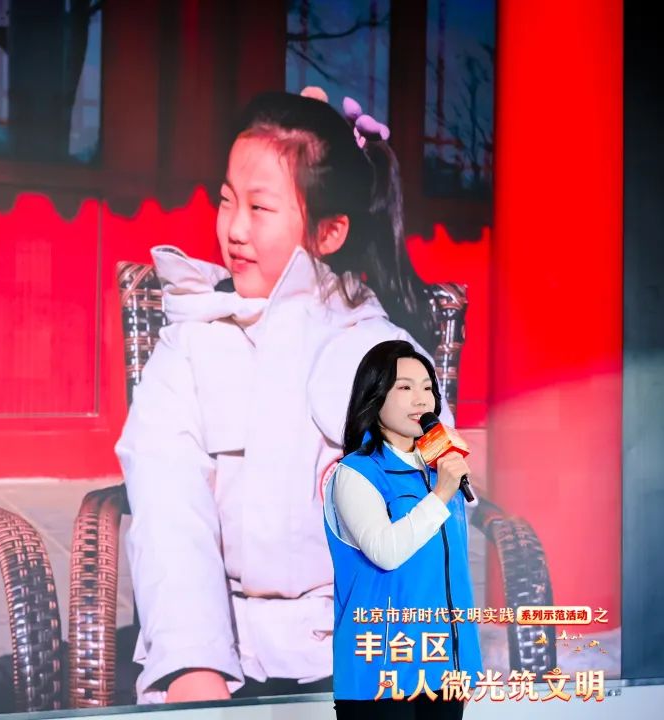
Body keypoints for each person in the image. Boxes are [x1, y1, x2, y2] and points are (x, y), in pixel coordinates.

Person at [117, 89, 452, 704]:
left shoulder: (383, 355)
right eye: (226, 200)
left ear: (329, 231)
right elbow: (168, 506)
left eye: (260, 207)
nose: (234, 229)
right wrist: (192, 664)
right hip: (222, 658)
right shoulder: (191, 340)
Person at [323, 339, 481, 719]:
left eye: (427, 388)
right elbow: (386, 552)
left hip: (444, 669)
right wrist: (441, 494)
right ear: (374, 396)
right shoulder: (356, 473)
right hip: (381, 675)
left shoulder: (439, 468)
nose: (421, 399)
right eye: (405, 387)